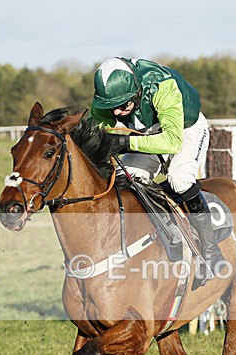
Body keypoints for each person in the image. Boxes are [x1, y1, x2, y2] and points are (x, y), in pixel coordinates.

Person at [89, 57, 226, 288]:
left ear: (135, 92)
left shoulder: (162, 85)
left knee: (179, 178)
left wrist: (125, 142)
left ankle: (212, 251)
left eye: (123, 105)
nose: (117, 112)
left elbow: (172, 142)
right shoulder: (106, 100)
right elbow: (98, 135)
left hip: (185, 127)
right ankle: (161, 235)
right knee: (127, 178)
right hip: (150, 132)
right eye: (111, 107)